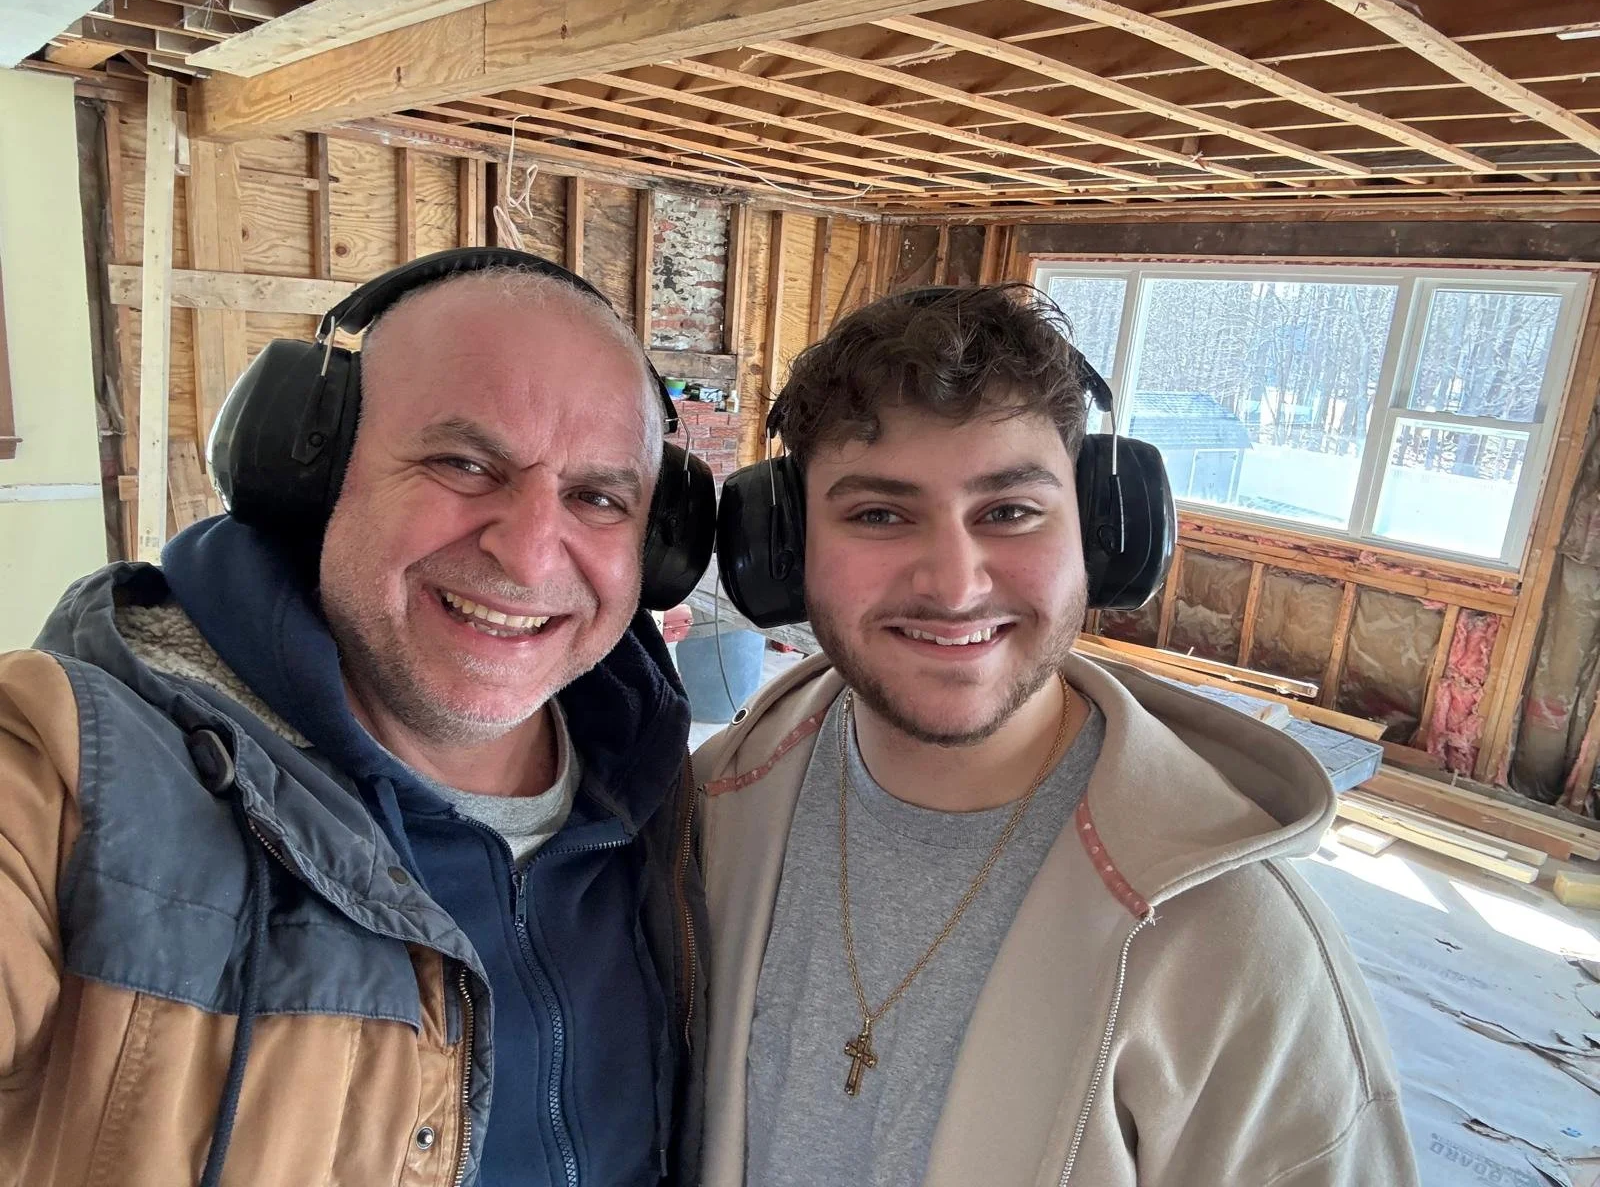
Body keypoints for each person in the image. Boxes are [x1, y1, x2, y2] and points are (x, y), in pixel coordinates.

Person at [0, 253, 706, 1187]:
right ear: (313, 472)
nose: (532, 555)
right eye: (462, 463)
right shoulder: (67, 768)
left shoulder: (672, 800)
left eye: (598, 497)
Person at [693, 284, 1418, 1186]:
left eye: (1009, 512)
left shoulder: (1237, 944)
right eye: (879, 514)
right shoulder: (711, 818)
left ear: (1104, 539)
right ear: (787, 549)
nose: (955, 587)